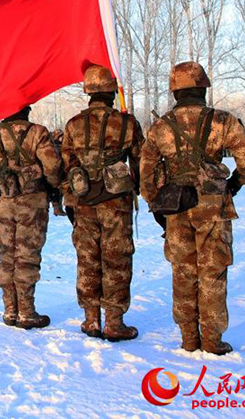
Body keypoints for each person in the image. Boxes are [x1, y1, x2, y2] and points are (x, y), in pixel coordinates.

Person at [140, 61, 245, 355]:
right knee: (213, 271)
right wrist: (234, 184)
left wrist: (157, 204)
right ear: (203, 89)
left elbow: (145, 173)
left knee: (182, 271)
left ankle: (188, 339)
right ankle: (212, 340)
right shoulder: (222, 121)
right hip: (212, 207)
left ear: (175, 92)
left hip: (176, 206)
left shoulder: (161, 126)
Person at [61, 65, 144, 341]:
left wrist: (71, 199)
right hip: (116, 203)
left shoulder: (73, 125)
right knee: (116, 259)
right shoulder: (127, 123)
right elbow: (141, 162)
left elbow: (67, 167)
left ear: (88, 93)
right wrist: (138, 187)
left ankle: (91, 320)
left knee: (87, 260)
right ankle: (115, 322)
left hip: (83, 203)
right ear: (111, 92)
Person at [0, 105, 63, 329]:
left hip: (5, 203)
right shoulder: (38, 132)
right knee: (27, 255)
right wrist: (54, 188)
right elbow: (52, 167)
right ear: (25, 109)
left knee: (7, 255)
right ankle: (26, 312)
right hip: (32, 202)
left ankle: (10, 310)